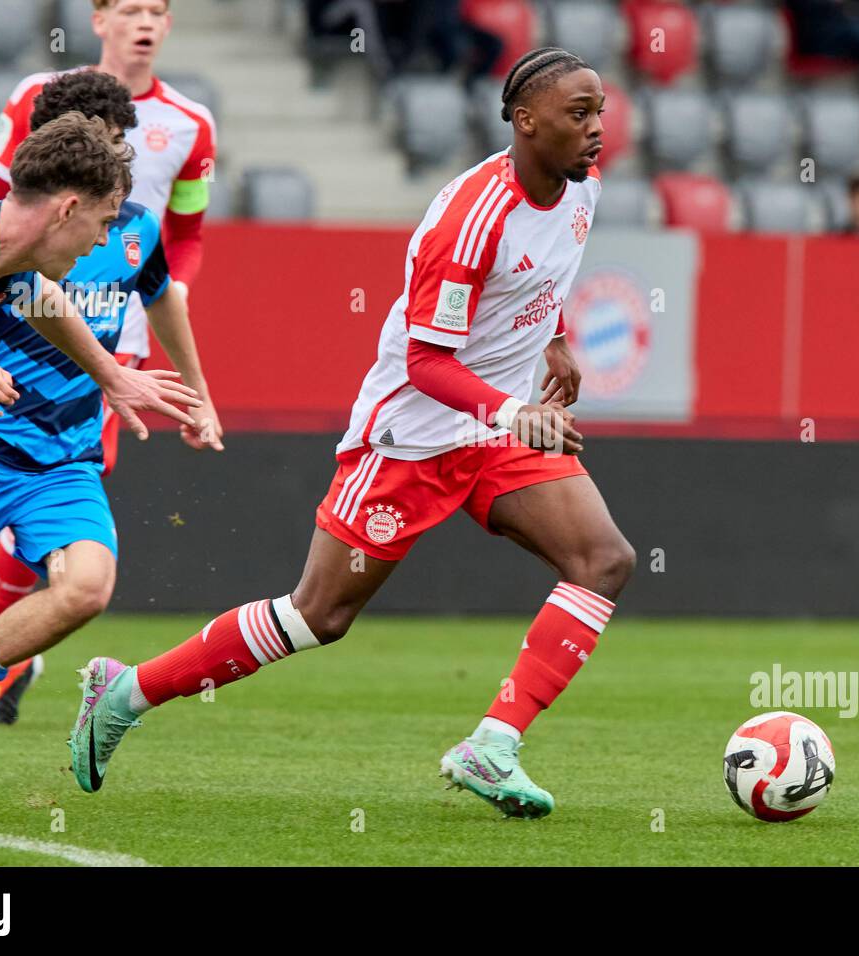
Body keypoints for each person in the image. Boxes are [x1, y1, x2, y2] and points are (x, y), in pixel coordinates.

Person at [69, 47, 635, 821]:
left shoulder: (583, 187)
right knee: (317, 616)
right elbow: (429, 360)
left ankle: (492, 745)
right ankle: (125, 692)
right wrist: (512, 412)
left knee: (603, 560)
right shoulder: (470, 219)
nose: (599, 128)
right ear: (526, 122)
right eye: (581, 113)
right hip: (412, 438)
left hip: (496, 434)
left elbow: (546, 273)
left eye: (600, 110)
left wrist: (558, 339)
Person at [0, 72, 223, 772]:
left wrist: (116, 379)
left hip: (65, 457)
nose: (101, 241)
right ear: (66, 207)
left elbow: (42, 300)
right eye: (98, 218)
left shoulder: (3, 251)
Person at [0, 0, 217, 711]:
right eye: (131, 7)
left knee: (51, 489)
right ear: (99, 16)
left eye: (159, 9)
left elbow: (188, 234)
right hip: (15, 329)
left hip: (118, 341)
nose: (146, 21)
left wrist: (168, 292)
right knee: (2, 491)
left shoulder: (192, 125)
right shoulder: (35, 99)